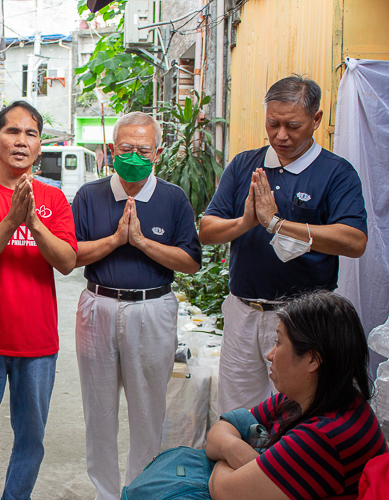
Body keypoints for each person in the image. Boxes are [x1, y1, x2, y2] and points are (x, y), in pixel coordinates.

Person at [199, 75, 368, 415]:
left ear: (316, 119)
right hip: (244, 311)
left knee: (298, 414)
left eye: (293, 125)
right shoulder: (245, 164)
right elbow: (206, 230)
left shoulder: (336, 173)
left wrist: (278, 224)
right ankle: (241, 467)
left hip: (303, 322)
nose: (280, 135)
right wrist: (246, 222)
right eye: (272, 123)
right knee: (237, 413)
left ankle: (284, 469)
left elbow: (354, 241)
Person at [0, 101, 77, 500]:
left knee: (31, 439)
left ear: (39, 146)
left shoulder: (53, 201)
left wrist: (34, 222)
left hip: (37, 343)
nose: (21, 141)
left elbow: (68, 261)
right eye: (12, 131)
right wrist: (9, 222)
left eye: (31, 134)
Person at [71, 111, 202, 500]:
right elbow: (71, 255)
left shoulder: (173, 198)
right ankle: (106, 493)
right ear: (111, 150)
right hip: (98, 305)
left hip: (153, 310)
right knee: (99, 412)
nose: (133, 156)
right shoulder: (89, 196)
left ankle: (141, 491)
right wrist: (114, 240)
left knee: (148, 413)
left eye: (142, 150)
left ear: (157, 152)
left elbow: (191, 261)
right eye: (125, 148)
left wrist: (142, 242)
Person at [206, 290, 387, 500]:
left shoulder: (323, 437)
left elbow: (224, 491)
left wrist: (227, 460)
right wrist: (235, 449)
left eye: (279, 342)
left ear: (312, 360)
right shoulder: (314, 396)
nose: (270, 354)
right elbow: (223, 428)